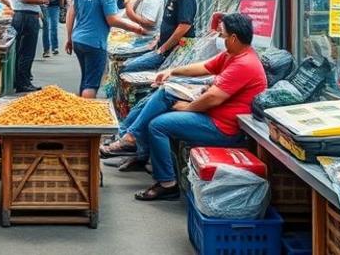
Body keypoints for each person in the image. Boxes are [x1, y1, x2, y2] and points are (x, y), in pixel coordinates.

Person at [100, 13, 267, 201]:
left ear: (234, 38)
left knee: (158, 125)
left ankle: (167, 183)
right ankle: (132, 139)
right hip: (211, 115)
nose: (220, 39)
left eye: (223, 35)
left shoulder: (244, 63)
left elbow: (212, 98)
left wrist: (188, 107)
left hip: (222, 128)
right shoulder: (232, 55)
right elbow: (204, 67)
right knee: (159, 95)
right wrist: (172, 71)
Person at [66, 0, 147, 98]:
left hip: (78, 39)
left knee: (86, 79)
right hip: (94, 42)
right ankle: (87, 111)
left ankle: (80, 109)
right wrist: (135, 28)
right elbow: (112, 20)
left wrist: (69, 37)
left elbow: (71, 13)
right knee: (91, 84)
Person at [120, 0, 197, 74]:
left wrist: (165, 47)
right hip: (163, 48)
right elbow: (170, 21)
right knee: (127, 64)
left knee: (128, 68)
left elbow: (184, 26)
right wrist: (159, 39)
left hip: (173, 51)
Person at [0, 0, 49, 92]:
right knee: (27, 51)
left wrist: (11, 3)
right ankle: (23, 83)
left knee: (19, 50)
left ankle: (18, 80)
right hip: (27, 17)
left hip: (18, 15)